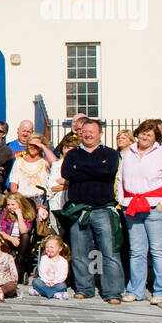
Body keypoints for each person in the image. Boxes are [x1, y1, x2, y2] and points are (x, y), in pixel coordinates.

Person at [59, 120, 123, 303]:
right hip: (79, 210)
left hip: (103, 209)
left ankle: (112, 292)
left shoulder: (110, 154)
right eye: (85, 132)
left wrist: (82, 169)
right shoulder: (72, 155)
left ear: (100, 133)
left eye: (91, 132)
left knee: (110, 252)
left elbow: (108, 172)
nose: (88, 135)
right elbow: (67, 174)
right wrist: (96, 169)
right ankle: (84, 288)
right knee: (79, 253)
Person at [117, 119, 162, 305]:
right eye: (143, 133)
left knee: (158, 250)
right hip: (133, 206)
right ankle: (135, 290)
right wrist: (122, 200)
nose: (145, 137)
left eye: (149, 134)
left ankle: (161, 291)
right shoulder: (130, 153)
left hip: (155, 207)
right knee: (137, 251)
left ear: (156, 138)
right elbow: (121, 178)